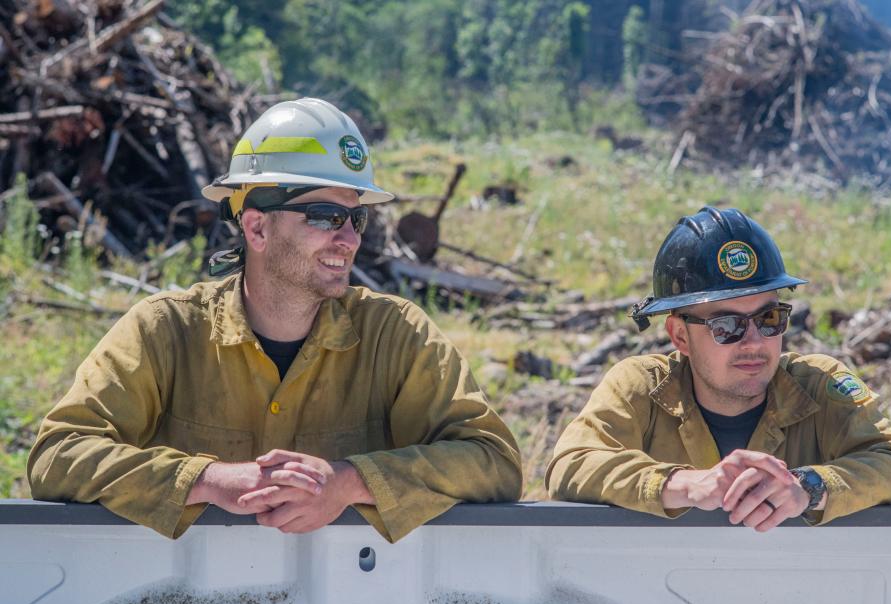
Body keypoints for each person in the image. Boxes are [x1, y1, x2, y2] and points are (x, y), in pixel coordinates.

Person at [28, 98, 522, 542]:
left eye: (356, 218)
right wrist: (207, 480)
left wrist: (349, 481)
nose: (348, 239)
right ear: (257, 226)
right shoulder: (164, 332)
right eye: (327, 216)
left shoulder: (396, 335)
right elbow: (57, 455)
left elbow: (492, 460)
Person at [546, 206, 891, 531]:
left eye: (770, 318)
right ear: (679, 336)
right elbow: (571, 465)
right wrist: (684, 484)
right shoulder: (642, 387)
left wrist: (809, 486)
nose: (754, 342)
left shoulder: (819, 385)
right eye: (725, 326)